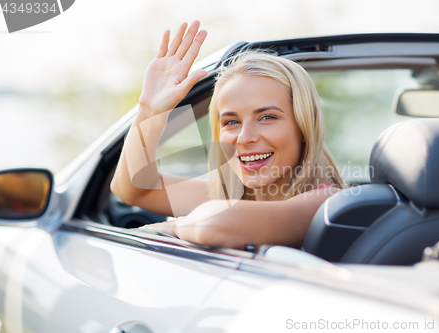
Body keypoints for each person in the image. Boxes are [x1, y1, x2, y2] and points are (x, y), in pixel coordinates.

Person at [110, 20, 346, 250]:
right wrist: (149, 111)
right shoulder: (238, 196)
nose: (244, 137)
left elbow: (215, 224)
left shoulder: (327, 202)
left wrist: (173, 226)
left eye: (267, 117)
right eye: (231, 121)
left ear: (304, 126)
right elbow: (132, 188)